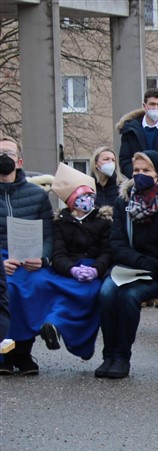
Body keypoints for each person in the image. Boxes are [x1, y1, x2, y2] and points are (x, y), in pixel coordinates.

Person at [96, 150, 158, 379]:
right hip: (129, 266)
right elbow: (117, 242)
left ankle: (122, 357)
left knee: (129, 297)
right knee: (106, 293)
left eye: (146, 170)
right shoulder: (123, 202)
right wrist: (140, 261)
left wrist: (155, 266)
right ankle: (108, 355)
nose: (140, 175)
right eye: (136, 170)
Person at [26, 164, 113, 362]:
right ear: (72, 201)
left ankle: (63, 329)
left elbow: (108, 252)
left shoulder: (103, 222)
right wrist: (71, 269)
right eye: (82, 196)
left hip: (93, 268)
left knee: (87, 293)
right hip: (68, 269)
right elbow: (58, 253)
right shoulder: (60, 223)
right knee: (56, 290)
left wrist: (96, 269)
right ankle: (53, 323)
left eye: (89, 195)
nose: (87, 199)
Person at [0, 136, 54, 376]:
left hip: (30, 259)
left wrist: (42, 258)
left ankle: (23, 352)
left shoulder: (38, 195)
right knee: (8, 288)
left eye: (9, 154)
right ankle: (4, 354)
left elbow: (49, 234)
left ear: (19, 162)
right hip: (3, 259)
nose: (4, 158)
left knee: (38, 284)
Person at [117, 87, 158, 177]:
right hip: (137, 180)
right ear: (144, 106)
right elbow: (125, 160)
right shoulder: (130, 130)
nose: (156, 108)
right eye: (152, 104)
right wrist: (138, 174)